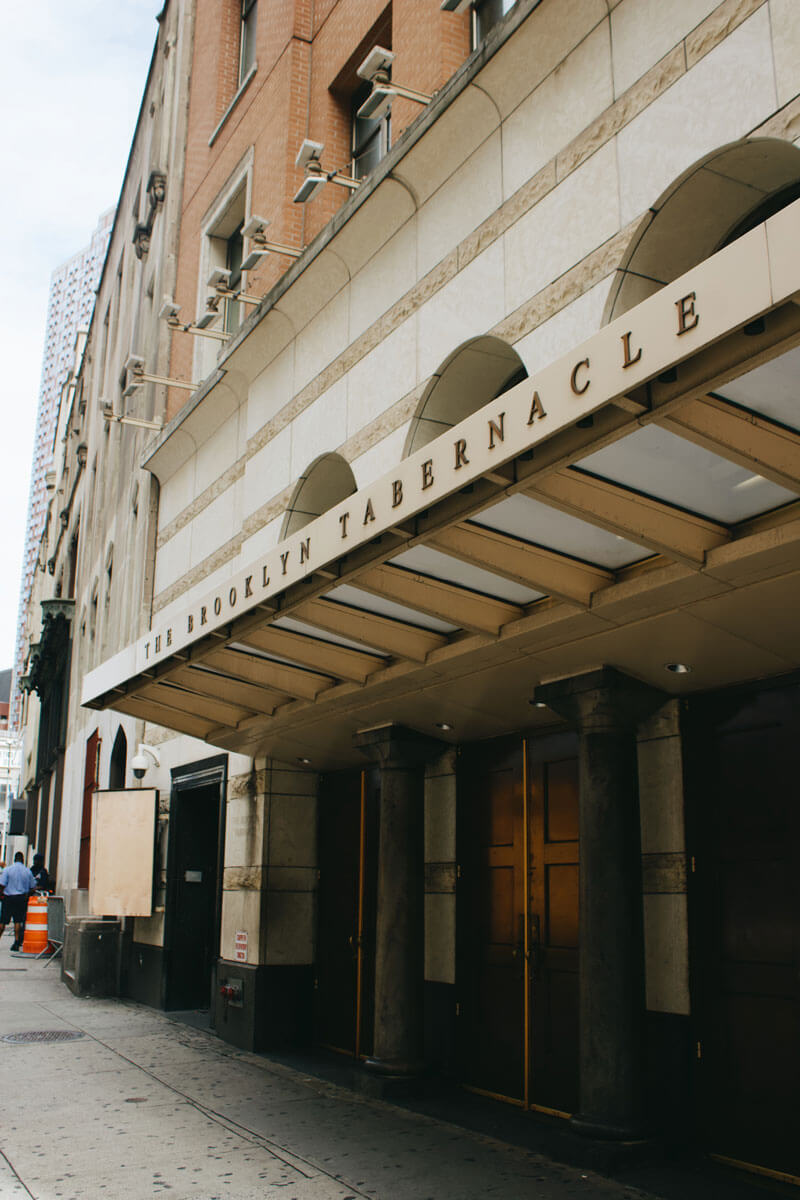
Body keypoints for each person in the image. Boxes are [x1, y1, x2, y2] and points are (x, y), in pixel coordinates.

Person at [0, 852, 37, 951]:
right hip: (21, 898)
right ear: (23, 859)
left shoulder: (8, 870)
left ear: (14, 859)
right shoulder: (27, 871)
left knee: (3, 921)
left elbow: (2, 884)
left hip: (8, 898)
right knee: (18, 920)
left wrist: (1, 894)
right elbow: (33, 886)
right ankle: (16, 942)